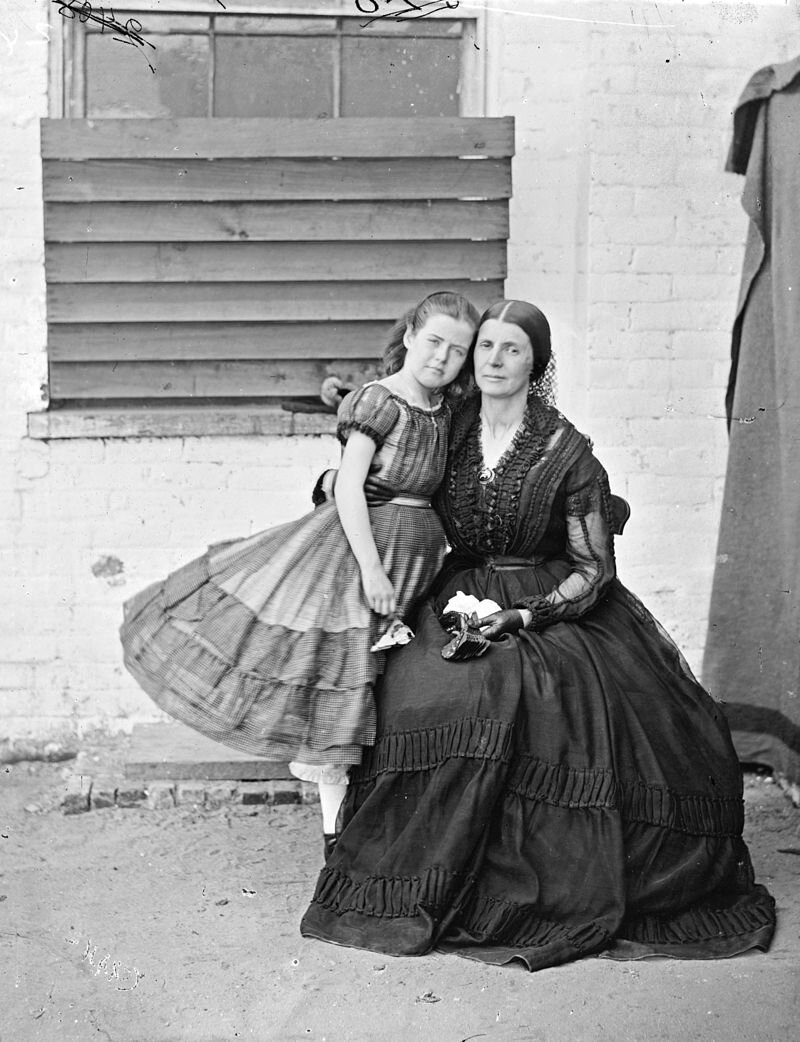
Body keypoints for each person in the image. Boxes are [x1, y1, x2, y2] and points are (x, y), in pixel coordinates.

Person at [300, 299, 776, 970]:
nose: (493, 360)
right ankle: (416, 868)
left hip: (548, 601)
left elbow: (594, 569)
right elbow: (388, 467)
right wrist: (335, 478)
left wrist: (525, 616)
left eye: (512, 349)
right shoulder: (449, 427)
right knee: (426, 687)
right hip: (453, 587)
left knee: (530, 692)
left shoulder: (566, 450)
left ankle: (526, 883)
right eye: (485, 346)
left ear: (536, 364)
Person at [119, 291, 479, 856]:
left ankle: (380, 823)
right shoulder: (379, 402)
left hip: (417, 560)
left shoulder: (443, 412)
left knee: (395, 691)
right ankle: (337, 839)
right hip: (360, 556)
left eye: (457, 351)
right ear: (410, 337)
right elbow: (349, 486)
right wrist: (371, 572)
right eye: (433, 341)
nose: (442, 358)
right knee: (340, 683)